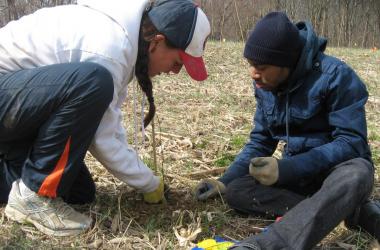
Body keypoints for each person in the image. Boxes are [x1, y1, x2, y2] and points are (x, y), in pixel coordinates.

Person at [0, 0, 210, 236]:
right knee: (93, 83)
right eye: (177, 62)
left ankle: (27, 185)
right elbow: (102, 138)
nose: (174, 71)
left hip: (17, 108)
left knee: (79, 191)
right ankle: (33, 197)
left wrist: (145, 178)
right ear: (157, 42)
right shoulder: (110, 46)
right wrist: (148, 183)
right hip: (6, 93)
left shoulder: (125, 44)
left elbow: (109, 123)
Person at [194, 12, 380, 249]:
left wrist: (287, 168)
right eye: (250, 65)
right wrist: (225, 180)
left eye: (261, 67)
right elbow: (261, 140)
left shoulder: (336, 77)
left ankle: (265, 245)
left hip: (337, 173)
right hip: (298, 179)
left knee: (358, 173)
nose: (253, 74)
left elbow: (351, 143)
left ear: (288, 62)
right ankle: (342, 210)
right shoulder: (266, 83)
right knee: (237, 190)